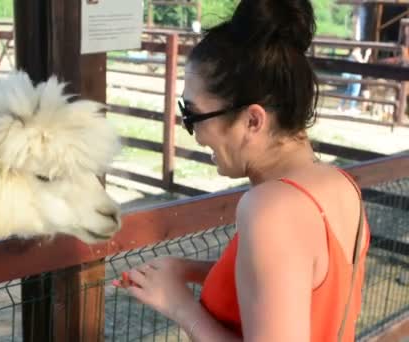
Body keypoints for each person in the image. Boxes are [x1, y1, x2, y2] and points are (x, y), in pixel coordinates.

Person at [113, 0, 371, 341]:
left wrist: (179, 306)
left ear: (252, 120)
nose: (194, 133)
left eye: (192, 116)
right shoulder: (340, 184)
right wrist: (188, 270)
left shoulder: (270, 209)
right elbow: (291, 281)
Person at [338, 47, 371, 114]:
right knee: (355, 92)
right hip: (355, 75)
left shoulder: (354, 54)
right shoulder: (355, 53)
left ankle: (341, 106)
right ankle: (352, 108)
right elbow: (363, 64)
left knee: (348, 91)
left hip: (352, 75)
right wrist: (367, 55)